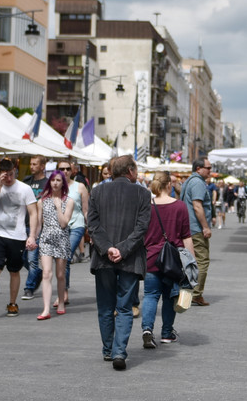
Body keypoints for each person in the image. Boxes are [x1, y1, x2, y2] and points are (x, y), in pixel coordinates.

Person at [87, 155, 151, 371]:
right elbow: (142, 228)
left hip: (104, 258)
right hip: (130, 258)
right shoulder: (143, 193)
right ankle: (119, 351)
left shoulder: (97, 191)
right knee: (124, 307)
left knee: (105, 306)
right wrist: (122, 249)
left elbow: (93, 226)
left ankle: (108, 349)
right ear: (131, 171)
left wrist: (108, 248)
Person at [0, 159, 39, 321]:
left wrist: (32, 235)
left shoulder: (25, 189)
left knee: (14, 270)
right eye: (6, 175)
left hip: (17, 236)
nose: (9, 178)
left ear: (15, 171)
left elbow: (33, 213)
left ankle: (12, 303)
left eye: (12, 174)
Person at [141, 171, 195, 349]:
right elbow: (186, 237)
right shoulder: (179, 206)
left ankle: (147, 330)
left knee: (150, 295)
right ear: (169, 185)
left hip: (151, 258)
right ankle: (166, 333)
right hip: (173, 260)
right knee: (169, 296)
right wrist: (191, 262)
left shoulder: (146, 206)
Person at [34, 169, 74, 320]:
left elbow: (64, 223)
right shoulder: (41, 201)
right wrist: (33, 238)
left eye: (58, 180)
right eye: (53, 180)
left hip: (62, 239)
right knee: (46, 273)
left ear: (63, 183)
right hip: (46, 239)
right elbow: (39, 224)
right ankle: (45, 309)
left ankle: (61, 302)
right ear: (49, 182)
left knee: (60, 274)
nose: (55, 183)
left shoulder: (68, 201)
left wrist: (58, 206)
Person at [55, 158, 90, 301]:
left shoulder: (80, 187)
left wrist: (91, 230)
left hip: (77, 225)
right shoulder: (54, 186)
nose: (65, 172)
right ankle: (64, 290)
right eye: (62, 169)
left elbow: (86, 210)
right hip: (59, 227)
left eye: (68, 169)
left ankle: (63, 293)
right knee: (62, 259)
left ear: (72, 171)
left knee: (66, 255)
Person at [182, 158, 214, 306]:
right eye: (208, 168)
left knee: (189, 261)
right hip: (195, 228)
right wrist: (205, 227)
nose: (210, 170)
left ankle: (187, 293)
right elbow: (197, 206)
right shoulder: (198, 183)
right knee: (202, 261)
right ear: (199, 168)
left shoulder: (190, 181)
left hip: (188, 227)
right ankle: (196, 294)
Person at [21, 155, 48, 301]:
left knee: (32, 257)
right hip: (22, 223)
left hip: (38, 225)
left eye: (35, 164)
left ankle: (29, 288)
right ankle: (37, 273)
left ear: (42, 166)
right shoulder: (26, 181)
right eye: (31, 164)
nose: (32, 166)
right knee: (22, 257)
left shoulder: (47, 183)